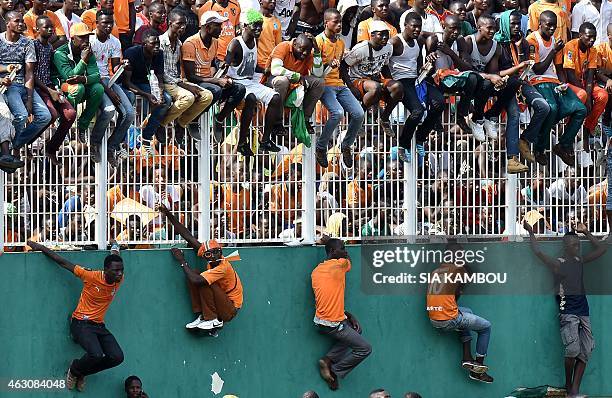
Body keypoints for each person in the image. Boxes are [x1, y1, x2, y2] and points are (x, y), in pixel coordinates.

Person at [26, 240, 125, 392]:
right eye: (116, 271)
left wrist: (115, 245)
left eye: (121, 270)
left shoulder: (118, 279)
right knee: (96, 355)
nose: (119, 274)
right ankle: (74, 369)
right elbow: (63, 262)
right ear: (106, 270)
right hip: (81, 323)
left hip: (99, 325)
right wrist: (38, 247)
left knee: (117, 357)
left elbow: (115, 255)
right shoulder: (91, 276)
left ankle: (81, 372)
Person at [524, 221, 607, 398]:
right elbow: (538, 252)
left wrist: (586, 232)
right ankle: (569, 387)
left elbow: (602, 250)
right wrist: (531, 232)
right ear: (565, 246)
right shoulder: (558, 263)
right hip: (568, 311)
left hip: (583, 311)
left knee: (586, 351)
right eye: (573, 245)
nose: (577, 248)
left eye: (578, 245)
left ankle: (574, 391)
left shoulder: (579, 260)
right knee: (572, 350)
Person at [159, 204, 244, 331]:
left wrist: (182, 261)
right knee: (195, 273)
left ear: (220, 252)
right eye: (208, 254)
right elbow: (188, 236)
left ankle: (212, 319)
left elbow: (196, 280)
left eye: (215, 252)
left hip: (230, 309)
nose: (212, 257)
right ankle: (203, 316)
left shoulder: (223, 267)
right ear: (205, 255)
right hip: (220, 302)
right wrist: (168, 214)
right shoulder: (210, 258)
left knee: (202, 280)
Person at [426, 242, 494, 383]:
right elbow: (472, 272)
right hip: (448, 319)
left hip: (433, 317)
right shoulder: (458, 269)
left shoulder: (435, 271)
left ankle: (467, 356)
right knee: (486, 327)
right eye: (461, 254)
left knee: (467, 312)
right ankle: (478, 368)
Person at [526, 11, 587, 166]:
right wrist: (553, 50)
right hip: (537, 80)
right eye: (549, 25)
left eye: (554, 25)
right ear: (540, 24)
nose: (552, 28)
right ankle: (540, 149)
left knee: (580, 109)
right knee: (551, 109)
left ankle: (563, 145)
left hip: (554, 81)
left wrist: (563, 84)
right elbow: (538, 69)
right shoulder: (532, 40)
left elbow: (559, 68)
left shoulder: (555, 40)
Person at [313, 238, 372, 391]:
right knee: (365, 348)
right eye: (342, 248)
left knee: (356, 330)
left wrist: (348, 315)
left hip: (321, 321)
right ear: (333, 252)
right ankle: (335, 370)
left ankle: (328, 359)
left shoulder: (317, 271)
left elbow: (329, 297)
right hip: (333, 325)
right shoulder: (340, 265)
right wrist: (345, 254)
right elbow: (348, 260)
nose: (345, 251)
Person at [495, 10, 551, 166]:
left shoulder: (524, 43)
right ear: (505, 24)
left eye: (518, 23)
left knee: (544, 107)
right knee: (514, 114)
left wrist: (520, 50)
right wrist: (518, 66)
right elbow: (496, 73)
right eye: (512, 23)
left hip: (521, 82)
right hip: (505, 84)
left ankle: (525, 139)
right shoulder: (497, 43)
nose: (516, 27)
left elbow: (524, 69)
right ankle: (512, 158)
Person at [225, 9, 285, 153]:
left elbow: (250, 66)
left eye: (260, 25)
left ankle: (265, 141)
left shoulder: (254, 41)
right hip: (236, 83)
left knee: (275, 98)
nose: (259, 29)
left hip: (250, 82)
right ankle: (242, 142)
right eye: (255, 25)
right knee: (251, 99)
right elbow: (225, 65)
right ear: (245, 26)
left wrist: (264, 70)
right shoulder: (236, 43)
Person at [182, 11, 246, 144]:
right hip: (193, 84)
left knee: (239, 89)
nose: (221, 29)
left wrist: (222, 75)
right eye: (217, 25)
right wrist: (217, 81)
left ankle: (219, 120)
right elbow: (191, 77)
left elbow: (211, 63)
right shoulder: (190, 43)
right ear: (207, 27)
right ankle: (193, 119)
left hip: (208, 81)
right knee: (215, 90)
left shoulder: (215, 42)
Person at [390, 12, 444, 162]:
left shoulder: (419, 41)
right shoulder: (395, 42)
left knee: (439, 103)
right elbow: (383, 63)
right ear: (405, 26)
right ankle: (403, 144)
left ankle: (421, 137)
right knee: (417, 111)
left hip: (416, 80)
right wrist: (389, 83)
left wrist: (428, 62)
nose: (417, 30)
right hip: (401, 82)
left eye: (419, 27)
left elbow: (420, 66)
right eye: (413, 26)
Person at [1, 11, 52, 164]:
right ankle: (10, 148)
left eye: (22, 21)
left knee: (45, 116)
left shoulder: (27, 42)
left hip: (23, 83)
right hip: (7, 85)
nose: (21, 24)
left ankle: (17, 143)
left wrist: (29, 98)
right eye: (17, 21)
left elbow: (29, 72)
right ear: (8, 23)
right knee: (21, 115)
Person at [316, 8, 364, 169]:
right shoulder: (318, 41)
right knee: (337, 113)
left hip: (339, 85)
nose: (339, 25)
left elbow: (342, 69)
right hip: (325, 85)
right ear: (326, 23)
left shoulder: (341, 43)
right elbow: (313, 70)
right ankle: (321, 147)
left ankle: (345, 146)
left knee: (359, 114)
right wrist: (327, 65)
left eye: (340, 22)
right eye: (335, 22)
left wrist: (350, 85)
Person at [53, 22, 107, 157]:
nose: (86, 41)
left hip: (80, 85)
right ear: (73, 38)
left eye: (87, 37)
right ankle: (64, 124)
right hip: (61, 87)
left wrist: (83, 78)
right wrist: (83, 61)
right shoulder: (60, 53)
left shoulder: (88, 51)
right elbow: (69, 77)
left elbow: (96, 76)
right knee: (78, 88)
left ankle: (82, 127)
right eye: (82, 37)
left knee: (98, 88)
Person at [90, 9, 136, 166]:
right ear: (97, 24)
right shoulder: (89, 41)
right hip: (93, 81)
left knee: (129, 113)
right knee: (109, 110)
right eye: (105, 23)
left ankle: (112, 146)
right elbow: (91, 71)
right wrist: (108, 90)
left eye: (111, 23)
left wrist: (123, 66)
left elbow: (115, 68)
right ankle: (95, 143)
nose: (109, 26)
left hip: (108, 80)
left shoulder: (115, 42)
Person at [342, 20, 403, 137]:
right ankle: (358, 119)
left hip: (375, 78)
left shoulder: (389, 47)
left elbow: (385, 66)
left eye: (387, 34)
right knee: (375, 88)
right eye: (381, 34)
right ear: (372, 35)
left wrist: (391, 85)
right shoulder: (360, 49)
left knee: (398, 86)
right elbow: (343, 66)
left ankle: (384, 119)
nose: (385, 37)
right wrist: (350, 86)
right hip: (357, 79)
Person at [159, 10, 213, 140]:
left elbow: (177, 69)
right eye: (179, 24)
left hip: (177, 81)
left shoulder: (179, 44)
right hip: (164, 82)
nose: (182, 27)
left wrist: (184, 83)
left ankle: (181, 123)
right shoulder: (160, 42)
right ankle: (160, 123)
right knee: (188, 97)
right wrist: (184, 85)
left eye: (184, 24)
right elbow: (161, 72)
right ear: (170, 23)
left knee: (207, 96)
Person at [33, 15, 77, 166]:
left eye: (51, 26)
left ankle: (51, 149)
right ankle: (29, 142)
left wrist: (57, 89)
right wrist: (49, 90)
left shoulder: (49, 47)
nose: (51, 29)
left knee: (70, 114)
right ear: (37, 29)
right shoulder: (33, 46)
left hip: (49, 86)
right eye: (46, 27)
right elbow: (30, 74)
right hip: (37, 88)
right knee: (51, 115)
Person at [122, 30, 173, 156]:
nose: (157, 46)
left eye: (158, 43)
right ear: (144, 44)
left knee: (166, 100)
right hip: (133, 84)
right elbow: (127, 82)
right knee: (138, 105)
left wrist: (160, 93)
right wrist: (147, 95)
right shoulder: (131, 53)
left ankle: (147, 136)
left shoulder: (159, 54)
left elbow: (160, 77)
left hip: (149, 84)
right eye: (153, 43)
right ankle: (127, 142)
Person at [266, 33, 325, 134]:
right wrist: (296, 75)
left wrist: (316, 51)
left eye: (308, 50)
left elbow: (318, 74)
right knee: (282, 81)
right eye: (302, 49)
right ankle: (278, 122)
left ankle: (304, 120)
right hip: (274, 82)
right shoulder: (283, 46)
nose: (305, 53)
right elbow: (275, 69)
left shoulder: (309, 53)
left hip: (296, 84)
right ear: (294, 45)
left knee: (319, 82)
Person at [564, 22, 608, 147]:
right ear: (580, 35)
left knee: (603, 95)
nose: (592, 40)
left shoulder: (593, 50)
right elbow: (570, 74)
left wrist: (588, 97)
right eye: (589, 36)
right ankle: (569, 129)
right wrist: (585, 95)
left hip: (586, 84)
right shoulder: (570, 46)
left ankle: (587, 128)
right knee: (581, 96)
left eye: (594, 37)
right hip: (571, 83)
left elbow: (590, 75)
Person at [258, 0, 282, 73]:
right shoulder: (254, 19)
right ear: (260, 1)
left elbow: (278, 46)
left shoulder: (276, 21)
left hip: (271, 64)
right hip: (257, 64)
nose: (273, 1)